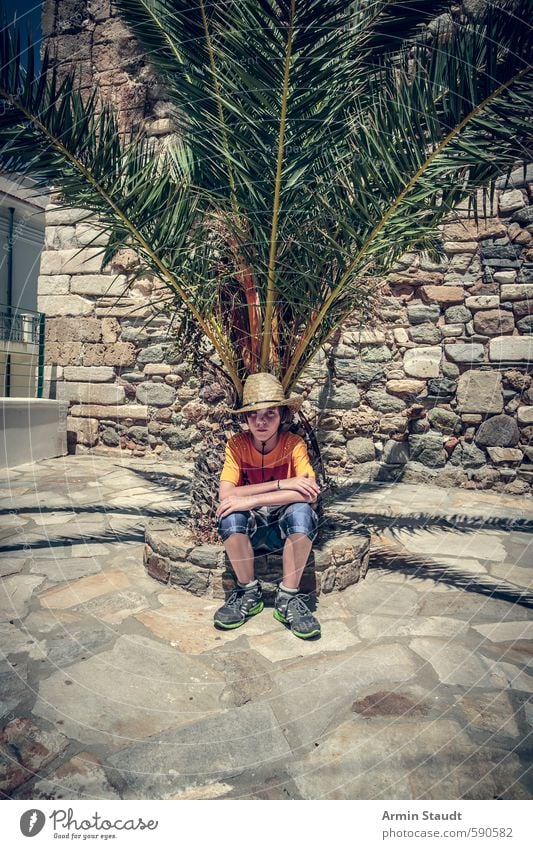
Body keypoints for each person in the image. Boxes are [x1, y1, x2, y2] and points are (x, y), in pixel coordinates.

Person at [214, 372, 321, 639]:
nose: (261, 422)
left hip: (282, 528)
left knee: (302, 513)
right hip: (251, 529)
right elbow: (227, 494)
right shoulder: (237, 445)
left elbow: (309, 494)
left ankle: (288, 599)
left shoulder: (293, 444)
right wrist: (283, 485)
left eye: (269, 414)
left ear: (282, 416)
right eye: (253, 415)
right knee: (231, 515)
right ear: (245, 418)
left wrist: (250, 498)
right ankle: (248, 592)